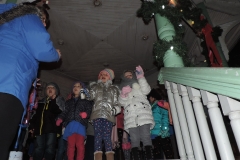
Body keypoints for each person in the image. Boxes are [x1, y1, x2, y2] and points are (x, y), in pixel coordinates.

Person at [0, 3, 61, 159]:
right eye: (44, 19)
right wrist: (56, 54)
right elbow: (43, 50)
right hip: (8, 85)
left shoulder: (7, 22)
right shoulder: (27, 16)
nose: (45, 24)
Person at [119, 66, 155, 160]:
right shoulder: (122, 89)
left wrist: (141, 77)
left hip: (143, 115)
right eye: (126, 76)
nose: (128, 77)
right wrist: (123, 94)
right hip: (131, 118)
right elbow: (121, 103)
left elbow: (147, 90)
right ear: (123, 78)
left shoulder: (138, 85)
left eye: (130, 75)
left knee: (146, 137)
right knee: (134, 140)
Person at [87, 68, 121, 160]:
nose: (103, 76)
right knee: (97, 136)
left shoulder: (114, 89)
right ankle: (97, 158)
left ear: (110, 77)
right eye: (101, 74)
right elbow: (90, 96)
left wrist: (116, 109)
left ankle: (110, 157)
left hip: (108, 116)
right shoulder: (95, 87)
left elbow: (117, 102)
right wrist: (85, 93)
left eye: (105, 74)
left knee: (107, 137)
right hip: (97, 115)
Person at [56, 81, 93, 160]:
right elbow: (65, 112)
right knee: (70, 145)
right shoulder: (69, 102)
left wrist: (86, 114)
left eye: (78, 86)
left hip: (80, 125)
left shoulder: (86, 101)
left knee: (80, 145)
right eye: (74, 86)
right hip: (70, 126)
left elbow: (89, 109)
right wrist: (60, 118)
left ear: (83, 89)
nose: (75, 87)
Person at [29, 82, 65, 160]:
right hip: (40, 129)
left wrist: (53, 100)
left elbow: (59, 110)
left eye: (52, 88)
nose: (50, 89)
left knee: (50, 148)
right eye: (48, 88)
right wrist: (31, 126)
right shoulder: (41, 102)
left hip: (52, 129)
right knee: (38, 148)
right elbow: (35, 115)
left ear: (56, 91)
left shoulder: (59, 100)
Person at [148, 88, 173, 159]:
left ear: (153, 97)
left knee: (168, 153)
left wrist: (164, 129)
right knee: (157, 155)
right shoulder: (152, 106)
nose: (149, 98)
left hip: (162, 133)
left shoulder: (161, 104)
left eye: (150, 97)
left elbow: (165, 117)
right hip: (154, 134)